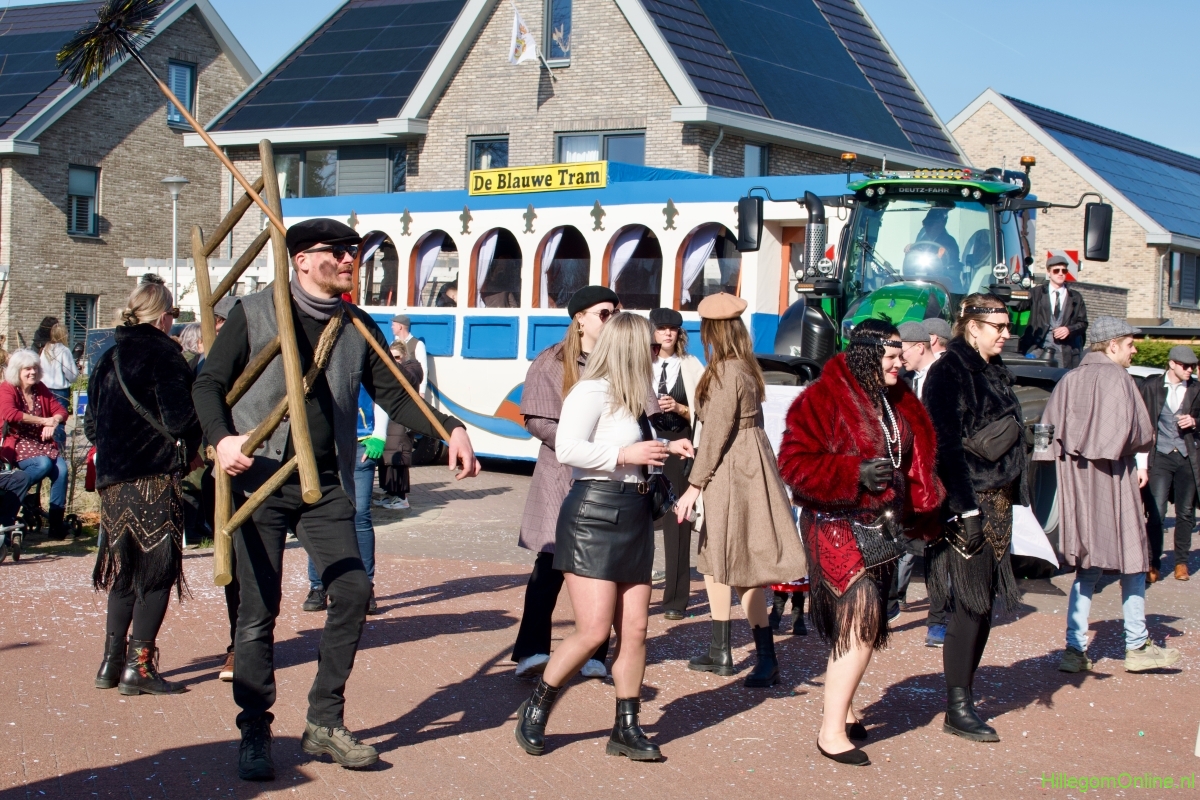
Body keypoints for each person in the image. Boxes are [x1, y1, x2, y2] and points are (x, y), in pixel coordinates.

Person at [193, 218, 481, 781]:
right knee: (257, 611)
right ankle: (254, 729)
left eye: (354, 251)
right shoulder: (255, 312)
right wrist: (221, 438)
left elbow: (396, 394)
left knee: (351, 591)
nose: (350, 259)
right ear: (301, 259)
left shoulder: (357, 324)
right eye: (338, 251)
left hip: (325, 485)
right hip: (260, 479)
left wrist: (450, 428)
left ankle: (324, 721)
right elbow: (207, 384)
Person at [513, 312, 692, 761]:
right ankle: (537, 707)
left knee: (635, 630)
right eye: (650, 347)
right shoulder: (591, 390)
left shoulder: (634, 395)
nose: (657, 353)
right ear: (629, 348)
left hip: (634, 514)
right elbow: (568, 448)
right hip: (594, 513)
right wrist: (625, 454)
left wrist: (666, 448)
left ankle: (625, 730)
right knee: (593, 631)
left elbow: (632, 448)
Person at [779, 318, 942, 766]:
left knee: (862, 622)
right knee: (862, 621)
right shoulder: (821, 398)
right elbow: (792, 463)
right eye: (890, 356)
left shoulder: (897, 398)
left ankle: (844, 708)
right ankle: (831, 733)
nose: (899, 363)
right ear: (867, 356)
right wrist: (853, 473)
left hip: (882, 526)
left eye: (900, 356)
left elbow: (917, 461)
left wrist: (927, 509)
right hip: (833, 522)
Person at [675, 293, 807, 688]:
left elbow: (716, 433)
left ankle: (761, 657)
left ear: (712, 331)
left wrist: (693, 486)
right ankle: (724, 650)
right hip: (748, 463)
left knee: (735, 560)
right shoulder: (744, 366)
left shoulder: (725, 371)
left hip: (732, 470)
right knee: (720, 557)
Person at [1036, 316, 1181, 675]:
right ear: (1112, 345)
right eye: (1130, 344)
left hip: (1077, 482)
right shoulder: (1120, 379)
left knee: (1088, 566)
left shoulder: (1069, 379)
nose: (1134, 351)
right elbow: (1141, 434)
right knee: (1133, 561)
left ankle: (1074, 649)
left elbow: (1045, 432)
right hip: (1114, 479)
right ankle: (1137, 645)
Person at [85, 277, 200, 696]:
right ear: (164, 315)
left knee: (125, 570)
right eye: (173, 314)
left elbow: (91, 426)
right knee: (155, 571)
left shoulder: (107, 358)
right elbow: (180, 419)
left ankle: (110, 663)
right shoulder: (165, 355)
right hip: (153, 476)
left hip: (113, 482)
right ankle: (140, 668)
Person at [923, 294, 1028, 744]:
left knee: (983, 605)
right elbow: (943, 446)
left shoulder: (993, 368)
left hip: (997, 502)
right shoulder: (948, 370)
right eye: (998, 326)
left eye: (1006, 325)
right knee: (969, 605)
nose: (1006, 333)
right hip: (968, 504)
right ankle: (957, 707)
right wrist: (965, 509)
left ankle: (964, 698)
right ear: (973, 327)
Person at [511, 286, 618, 680]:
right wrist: (578, 445)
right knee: (551, 562)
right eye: (604, 313)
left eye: (615, 312)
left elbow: (645, 411)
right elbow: (535, 418)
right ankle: (532, 650)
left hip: (610, 475)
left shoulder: (623, 359)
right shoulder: (552, 360)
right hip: (562, 474)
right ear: (580, 319)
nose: (611, 319)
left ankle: (595, 653)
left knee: (604, 563)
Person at [302, 384, 388, 616]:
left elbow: (384, 391)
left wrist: (379, 434)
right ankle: (318, 586)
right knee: (316, 514)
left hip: (361, 441)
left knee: (360, 515)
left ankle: (366, 588)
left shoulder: (363, 359)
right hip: (321, 441)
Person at [894, 321, 949, 646]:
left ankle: (937, 620)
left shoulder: (945, 376)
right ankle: (890, 604)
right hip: (908, 477)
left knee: (937, 548)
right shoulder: (906, 381)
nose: (899, 359)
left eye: (902, 352)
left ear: (919, 346)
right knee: (901, 541)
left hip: (937, 475)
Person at [648, 307, 703, 621]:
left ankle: (676, 599)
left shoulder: (690, 364)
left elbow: (705, 408)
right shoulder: (642, 363)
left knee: (677, 520)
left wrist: (681, 408)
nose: (667, 333)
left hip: (680, 443)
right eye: (662, 328)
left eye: (673, 329)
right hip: (645, 441)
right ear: (652, 331)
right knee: (638, 519)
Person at [1138, 345, 1200, 582]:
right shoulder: (1151, 386)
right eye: (1185, 366)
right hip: (1160, 456)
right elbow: (1140, 419)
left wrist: (1194, 422)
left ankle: (1181, 562)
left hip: (1187, 456)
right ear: (1172, 364)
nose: (1190, 370)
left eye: (1193, 366)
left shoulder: (1196, 388)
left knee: (1185, 512)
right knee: (1157, 512)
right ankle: (1153, 563)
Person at [0, 350, 69, 539]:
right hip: (18, 442)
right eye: (27, 369)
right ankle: (11, 499)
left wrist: (53, 422)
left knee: (62, 471)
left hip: (42, 443)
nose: (33, 372)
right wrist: (43, 421)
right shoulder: (7, 388)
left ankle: (55, 524)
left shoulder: (40, 388)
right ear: (17, 371)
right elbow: (10, 414)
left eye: (35, 368)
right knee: (43, 464)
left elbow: (61, 411)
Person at [376, 340, 424, 511]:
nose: (394, 360)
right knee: (386, 456)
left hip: (402, 418)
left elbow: (410, 379)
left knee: (399, 456)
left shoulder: (413, 368)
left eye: (397, 357)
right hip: (390, 416)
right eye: (391, 357)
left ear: (404, 356)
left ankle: (401, 497)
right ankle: (389, 492)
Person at [1017, 255, 1088, 368]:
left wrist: (1068, 330)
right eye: (1056, 270)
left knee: (1062, 378)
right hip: (1038, 348)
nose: (1060, 273)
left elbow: (1083, 323)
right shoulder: (1036, 293)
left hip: (1064, 352)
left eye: (1064, 271)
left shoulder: (1075, 297)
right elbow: (1019, 306)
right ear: (1049, 273)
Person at [39, 322, 77, 413]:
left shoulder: (45, 349)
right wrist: (74, 378)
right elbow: (71, 373)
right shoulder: (64, 350)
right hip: (60, 390)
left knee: (47, 416)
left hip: (45, 388)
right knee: (60, 416)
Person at [390, 314, 428, 396]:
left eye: (393, 325)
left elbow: (423, 369)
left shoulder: (418, 344)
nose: (391, 327)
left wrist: (422, 391)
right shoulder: (393, 344)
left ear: (400, 327)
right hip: (396, 389)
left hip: (412, 388)